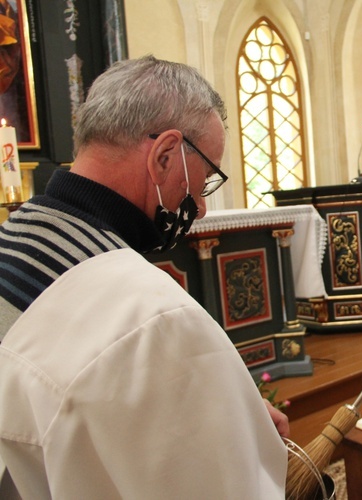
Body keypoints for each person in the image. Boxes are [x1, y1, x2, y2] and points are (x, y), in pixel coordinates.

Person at [0, 55, 289, 498]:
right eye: (206, 177)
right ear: (165, 154)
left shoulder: (12, 238)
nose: (202, 205)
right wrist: (242, 442)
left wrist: (218, 416)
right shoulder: (152, 315)